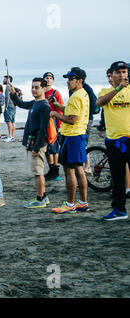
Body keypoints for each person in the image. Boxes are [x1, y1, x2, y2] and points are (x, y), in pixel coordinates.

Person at [50, 68, 90, 214]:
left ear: (79, 81)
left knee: (69, 171)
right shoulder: (83, 94)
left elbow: (72, 119)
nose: (68, 81)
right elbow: (72, 111)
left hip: (72, 136)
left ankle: (70, 204)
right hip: (79, 135)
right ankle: (83, 202)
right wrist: (58, 106)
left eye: (71, 78)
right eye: (67, 78)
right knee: (79, 169)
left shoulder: (76, 96)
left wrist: (55, 114)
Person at [9, 78, 51, 208]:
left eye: (37, 87)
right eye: (32, 87)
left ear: (44, 88)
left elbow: (44, 129)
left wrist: (37, 147)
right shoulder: (34, 103)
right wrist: (12, 93)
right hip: (31, 141)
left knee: (38, 172)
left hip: (37, 143)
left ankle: (40, 199)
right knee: (36, 171)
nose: (33, 89)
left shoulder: (44, 106)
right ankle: (43, 196)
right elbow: (21, 104)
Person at [96, 61, 129, 221]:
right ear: (112, 75)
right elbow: (100, 103)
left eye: (124, 72)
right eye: (118, 72)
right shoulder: (106, 91)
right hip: (114, 140)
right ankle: (119, 210)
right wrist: (118, 89)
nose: (122, 75)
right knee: (117, 177)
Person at [44, 72, 64, 181]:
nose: (48, 80)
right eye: (46, 78)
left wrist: (59, 126)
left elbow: (60, 110)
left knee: (54, 147)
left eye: (50, 78)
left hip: (54, 122)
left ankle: (56, 171)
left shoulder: (55, 93)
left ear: (53, 80)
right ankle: (51, 169)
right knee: (47, 148)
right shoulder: (42, 92)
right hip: (44, 122)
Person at [3, 76, 19, 142]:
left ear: (8, 80)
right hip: (14, 106)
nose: (3, 80)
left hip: (9, 106)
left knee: (8, 121)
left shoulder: (8, 86)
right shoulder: (13, 86)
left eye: (4, 79)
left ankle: (10, 136)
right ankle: (12, 136)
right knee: (12, 121)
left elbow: (7, 97)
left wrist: (6, 106)